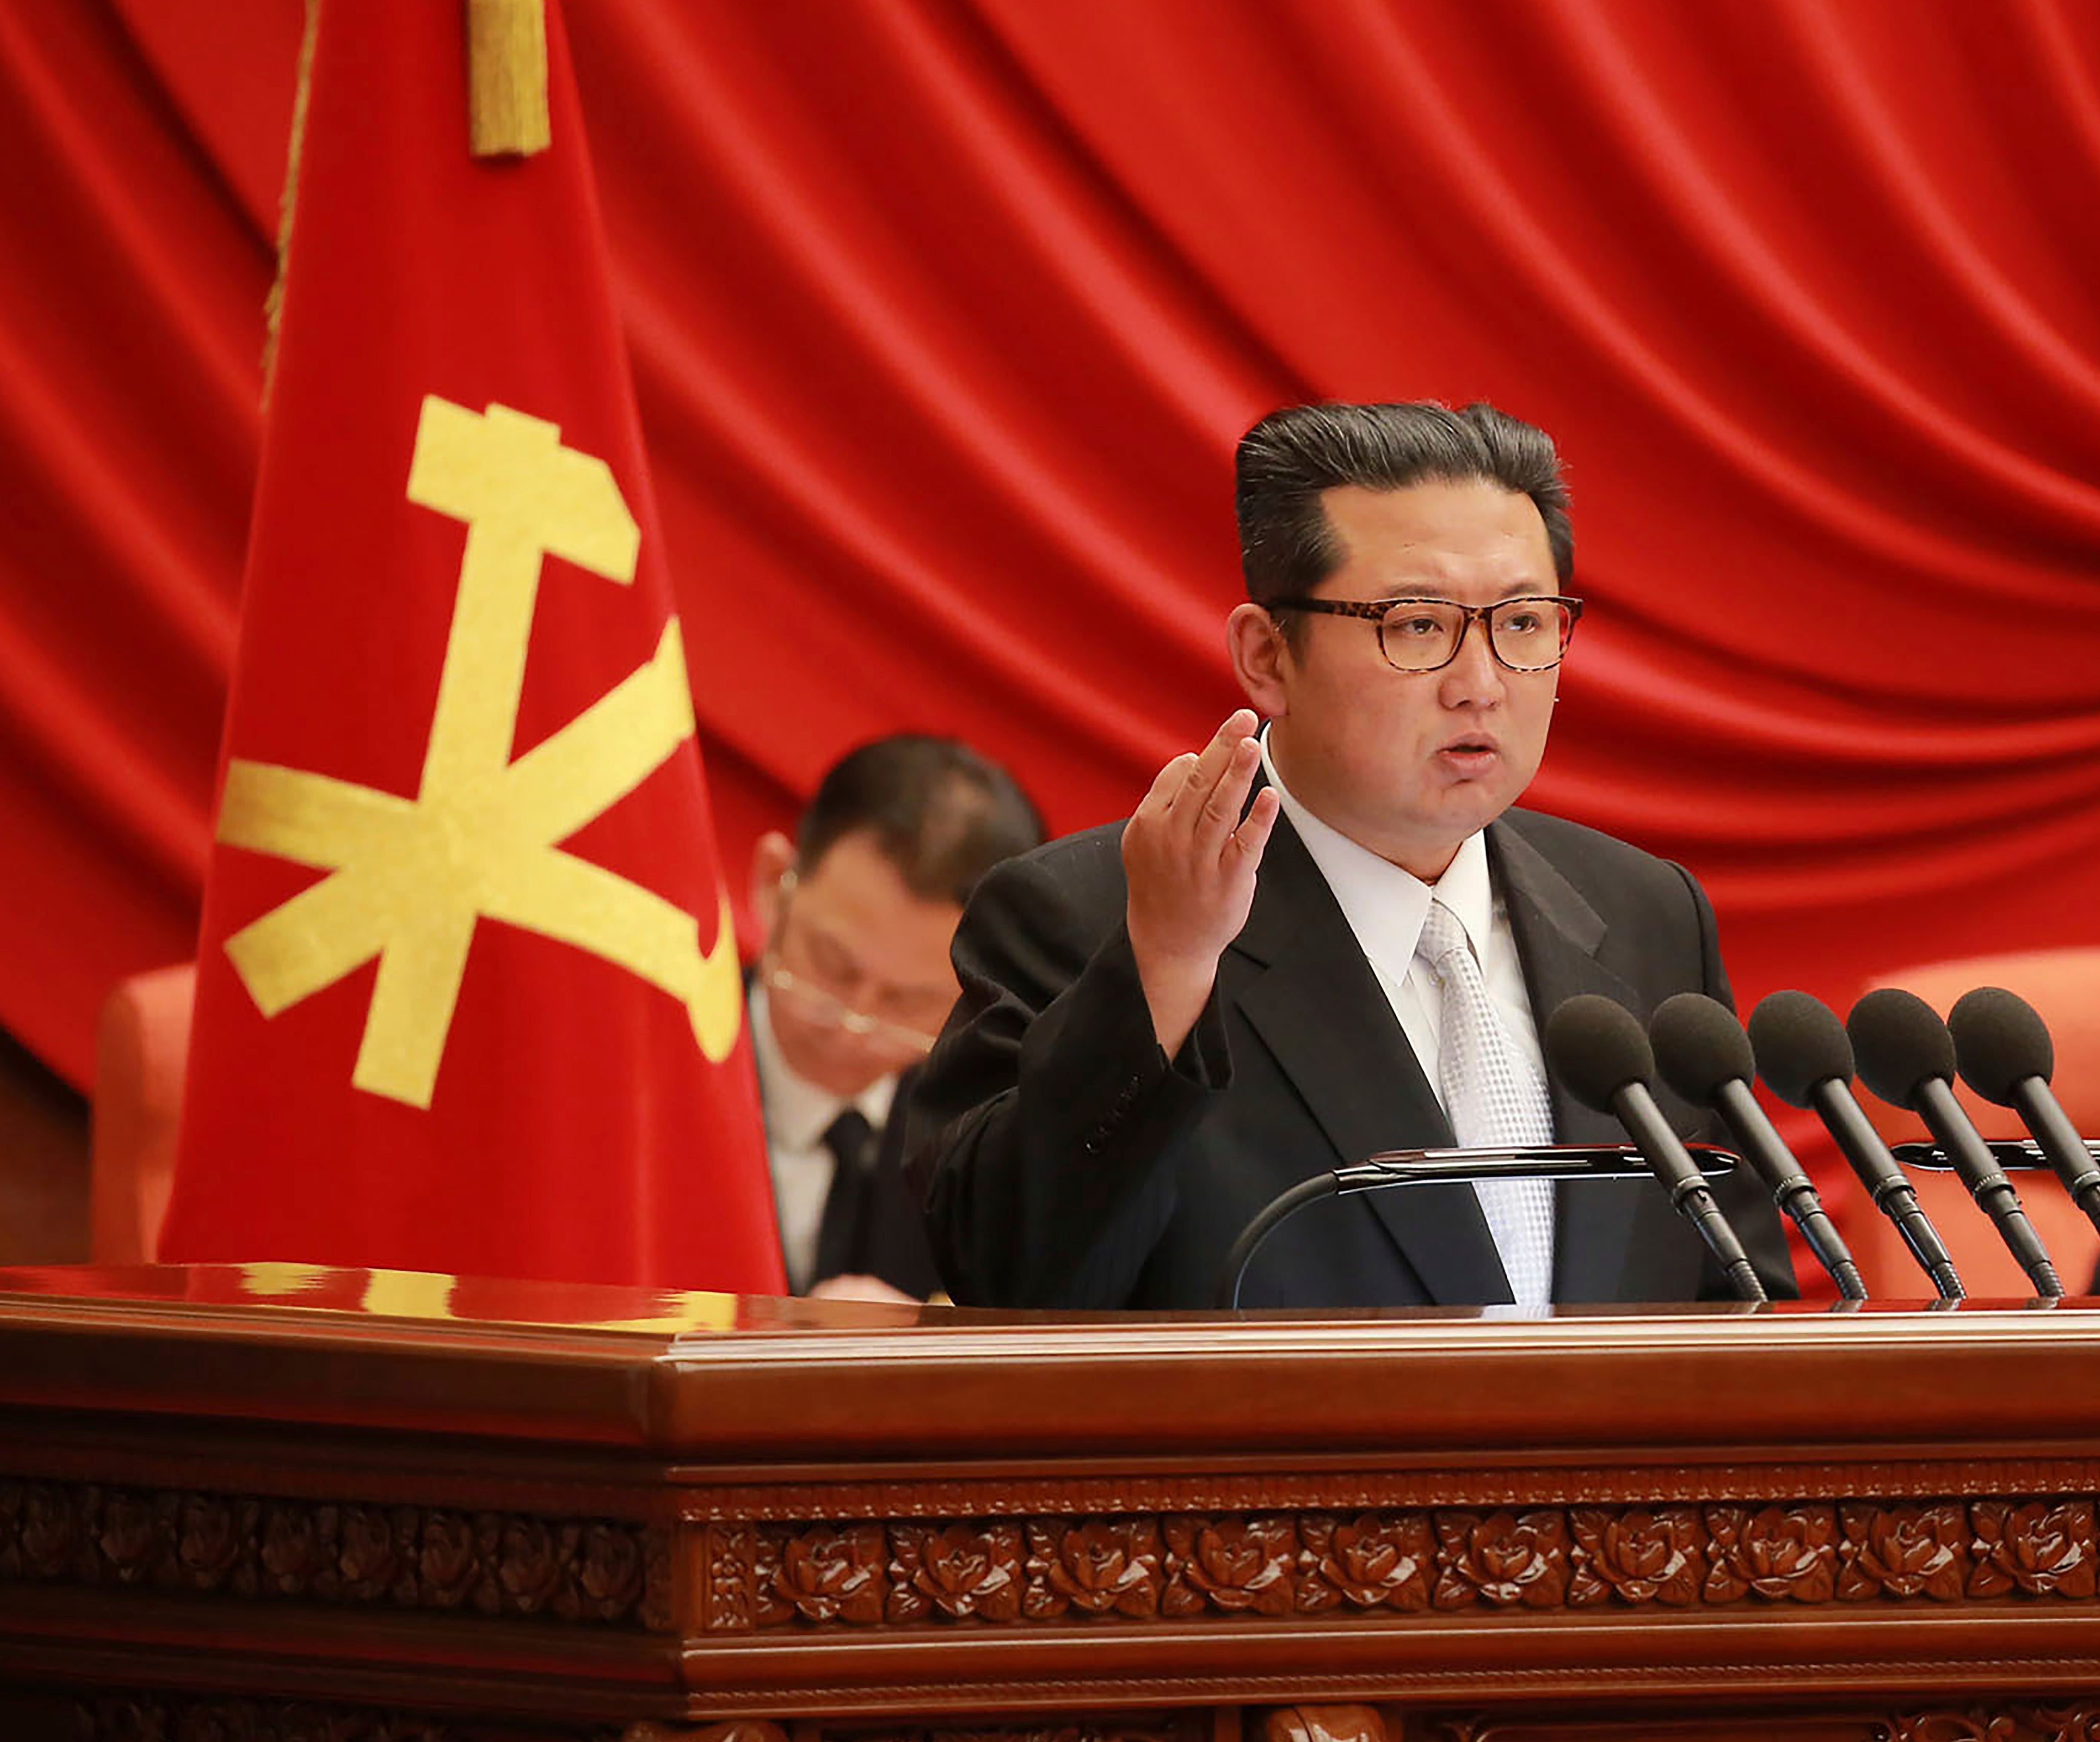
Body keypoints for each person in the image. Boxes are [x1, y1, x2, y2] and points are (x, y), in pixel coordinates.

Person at [895, 401, 1796, 1310]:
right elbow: (1010, 1279)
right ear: (1266, 655)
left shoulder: (1646, 911)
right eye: (1416, 625)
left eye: (1523, 623)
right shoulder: (1092, 917)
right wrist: (1165, 969)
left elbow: (1742, 1297)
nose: (1479, 685)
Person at [748, 734, 1045, 1302]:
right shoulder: (639, 1075)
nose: (852, 1026)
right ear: (771, 886)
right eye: (833, 966)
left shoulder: (994, 1145)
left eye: (908, 1002)